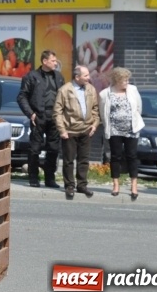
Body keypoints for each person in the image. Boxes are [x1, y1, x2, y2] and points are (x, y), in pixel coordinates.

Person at [17, 49, 64, 188]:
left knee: (53, 149)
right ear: (44, 61)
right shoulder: (32, 76)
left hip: (55, 117)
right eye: (53, 60)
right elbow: (21, 97)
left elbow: (64, 96)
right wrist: (30, 113)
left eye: (56, 60)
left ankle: (50, 178)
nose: (56, 63)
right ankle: (33, 177)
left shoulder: (59, 77)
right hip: (38, 117)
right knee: (35, 149)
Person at [53, 65, 100, 200]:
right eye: (85, 76)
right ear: (77, 77)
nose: (88, 78)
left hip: (86, 129)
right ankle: (69, 186)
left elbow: (95, 109)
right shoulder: (65, 90)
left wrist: (95, 125)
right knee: (68, 160)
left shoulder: (90, 89)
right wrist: (62, 130)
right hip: (69, 130)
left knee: (84, 160)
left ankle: (82, 185)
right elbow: (57, 112)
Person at [99, 67, 144, 200]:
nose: (127, 82)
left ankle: (134, 186)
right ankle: (116, 184)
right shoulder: (105, 94)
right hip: (114, 130)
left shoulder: (133, 90)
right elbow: (103, 113)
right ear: (117, 80)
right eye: (124, 80)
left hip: (131, 129)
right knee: (115, 156)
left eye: (127, 79)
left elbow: (138, 108)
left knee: (132, 156)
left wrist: (132, 121)